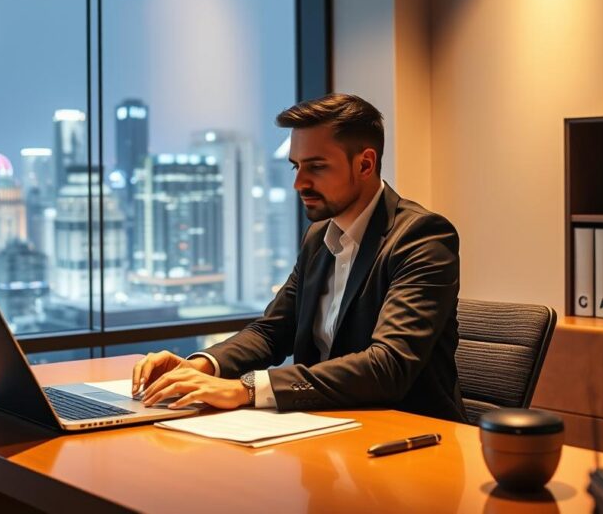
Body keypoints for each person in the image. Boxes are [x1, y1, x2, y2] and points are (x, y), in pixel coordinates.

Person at [132, 93, 467, 422]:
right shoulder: (319, 237)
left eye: (316, 167)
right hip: (321, 425)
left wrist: (247, 388)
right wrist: (201, 365)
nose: (298, 183)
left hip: (408, 434)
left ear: (365, 164)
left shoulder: (422, 237)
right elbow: (272, 331)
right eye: (296, 166)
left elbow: (387, 365)